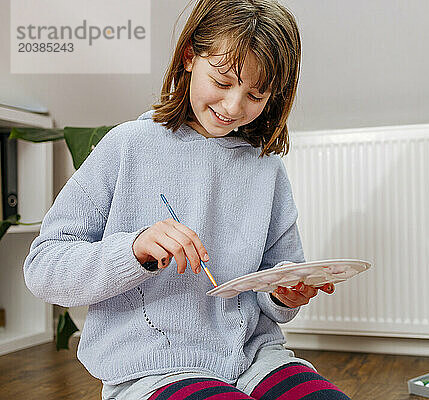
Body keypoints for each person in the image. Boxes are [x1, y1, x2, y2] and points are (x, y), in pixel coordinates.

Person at [23, 1, 351, 399]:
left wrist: (283, 292)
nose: (233, 107)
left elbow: (275, 288)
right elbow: (43, 268)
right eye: (223, 81)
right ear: (190, 57)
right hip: (155, 368)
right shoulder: (127, 146)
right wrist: (134, 251)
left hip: (256, 361)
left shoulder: (266, 169)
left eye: (256, 94)